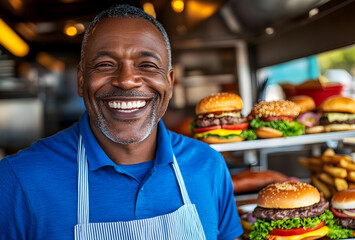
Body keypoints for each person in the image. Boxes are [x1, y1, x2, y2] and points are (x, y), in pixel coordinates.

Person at [0, 4, 243, 240]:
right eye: (105, 64)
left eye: (147, 65)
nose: (126, 81)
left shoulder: (209, 165)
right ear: (81, 80)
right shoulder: (18, 179)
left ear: (169, 82)